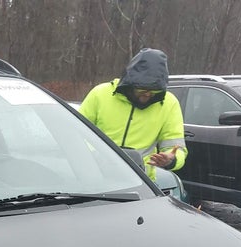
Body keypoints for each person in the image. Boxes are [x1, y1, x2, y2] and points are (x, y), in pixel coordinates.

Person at [78, 48, 187, 181]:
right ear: (129, 83)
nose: (147, 94)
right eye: (142, 89)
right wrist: (95, 157)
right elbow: (76, 133)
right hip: (94, 179)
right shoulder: (100, 94)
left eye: (154, 91)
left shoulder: (169, 103)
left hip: (141, 183)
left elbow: (176, 146)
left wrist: (172, 159)